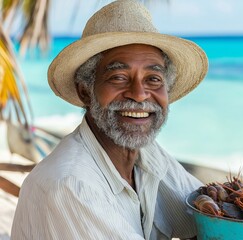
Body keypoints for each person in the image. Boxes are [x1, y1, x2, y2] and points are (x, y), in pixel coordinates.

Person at [11, 0, 208, 239]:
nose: (139, 94)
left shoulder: (146, 154)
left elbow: (206, 212)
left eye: (153, 79)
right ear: (86, 91)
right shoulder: (71, 185)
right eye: (118, 77)